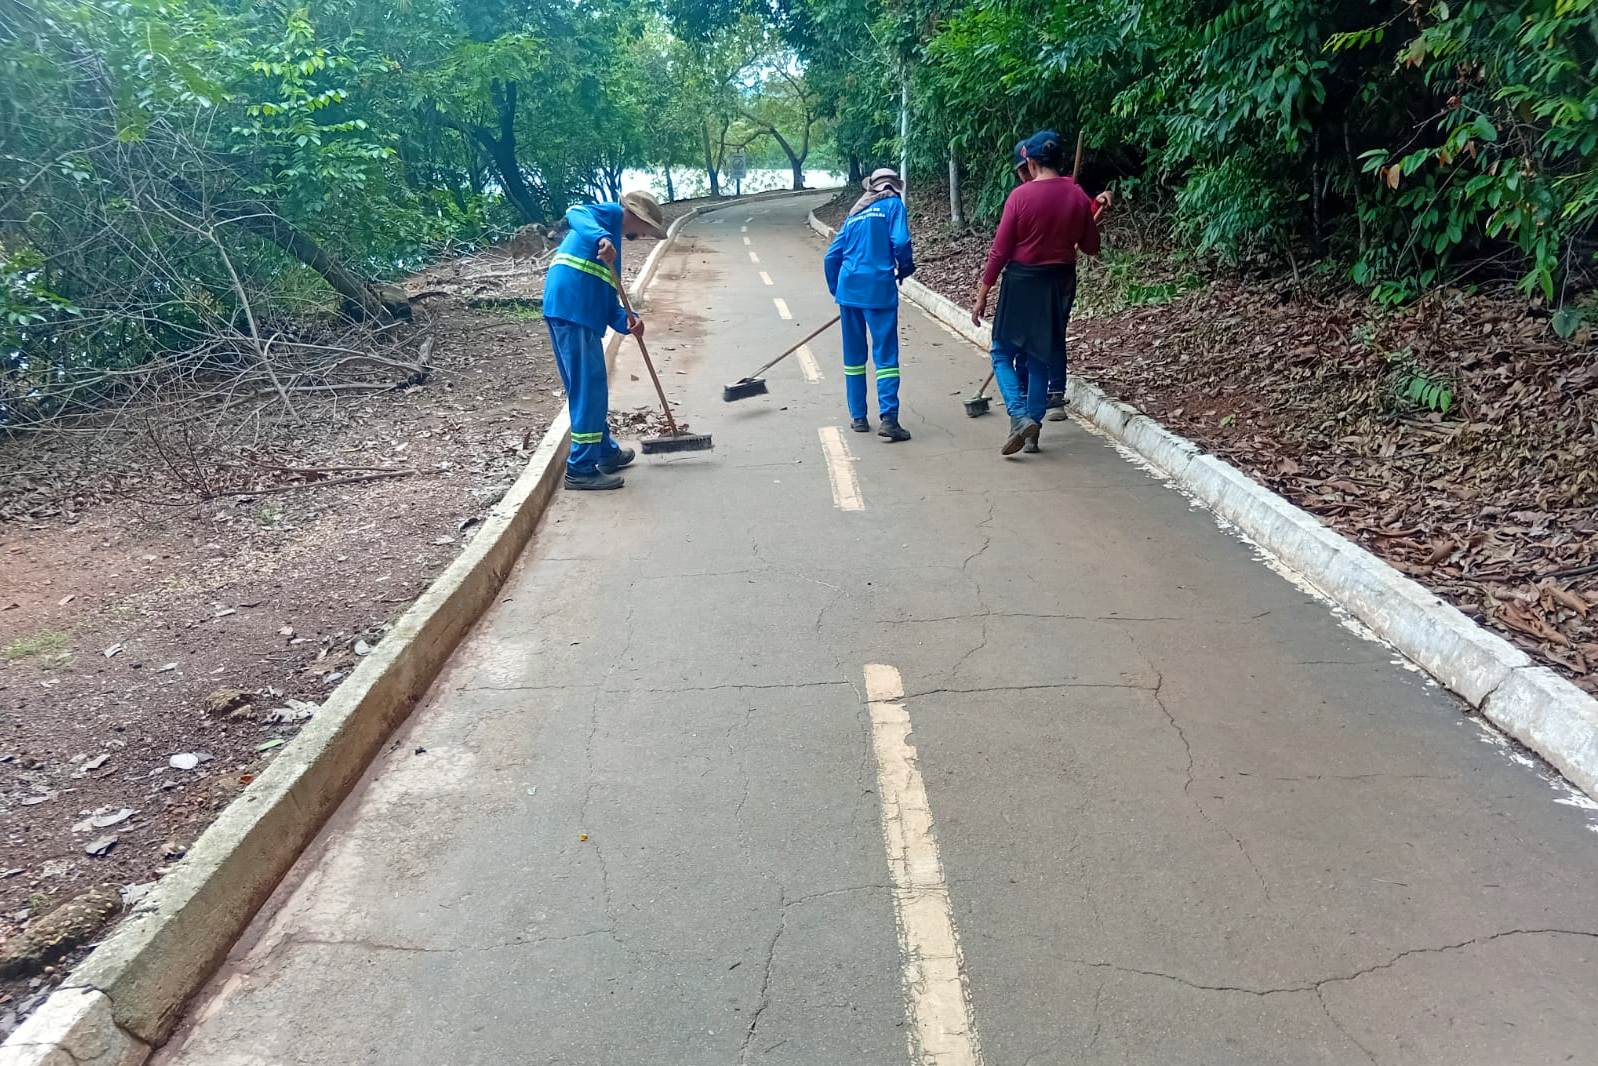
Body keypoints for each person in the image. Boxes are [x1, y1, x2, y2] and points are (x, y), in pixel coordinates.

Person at [972, 130, 1109, 455]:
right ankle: (1032, 430)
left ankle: (1019, 415)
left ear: (1031, 162)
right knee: (1038, 358)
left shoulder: (1020, 197)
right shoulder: (1077, 196)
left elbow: (1000, 251)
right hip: (1058, 283)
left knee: (1002, 352)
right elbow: (1091, 247)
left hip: (1022, 282)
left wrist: (983, 293)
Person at [542, 190, 668, 490]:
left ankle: (604, 452)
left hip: (575, 310)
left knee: (587, 389)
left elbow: (608, 296)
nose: (645, 234)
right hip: (574, 310)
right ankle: (581, 468)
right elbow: (574, 212)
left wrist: (629, 320)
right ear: (635, 216)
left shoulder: (613, 242)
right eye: (646, 228)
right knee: (589, 391)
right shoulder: (605, 218)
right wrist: (601, 238)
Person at [823, 167, 916, 442]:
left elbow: (831, 256)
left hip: (849, 290)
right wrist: (906, 267)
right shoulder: (893, 205)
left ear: (870, 187)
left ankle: (859, 417)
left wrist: (837, 291)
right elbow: (900, 241)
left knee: (853, 357)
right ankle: (889, 418)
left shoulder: (855, 213)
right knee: (885, 355)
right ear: (893, 186)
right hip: (878, 290)